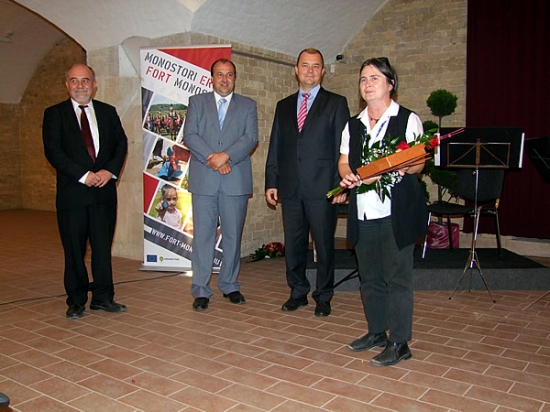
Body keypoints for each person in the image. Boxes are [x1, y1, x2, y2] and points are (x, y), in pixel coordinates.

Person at [337, 57, 428, 366]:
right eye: (363, 79)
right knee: (370, 278)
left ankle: (400, 342)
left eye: (374, 78)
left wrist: (397, 166)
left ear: (390, 84)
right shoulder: (354, 124)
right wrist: (349, 175)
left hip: (395, 212)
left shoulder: (407, 119)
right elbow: (343, 161)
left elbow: (418, 163)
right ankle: (377, 331)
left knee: (397, 279)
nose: (367, 84)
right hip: (364, 212)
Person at [265, 48, 350, 317]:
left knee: (324, 245)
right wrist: (271, 181)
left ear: (322, 71)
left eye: (315, 66)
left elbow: (343, 148)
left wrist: (341, 186)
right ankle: (298, 292)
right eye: (305, 65)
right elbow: (276, 146)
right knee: (294, 244)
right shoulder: (283, 105)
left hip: (323, 188)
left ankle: (323, 296)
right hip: (291, 188)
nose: (310, 71)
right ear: (296, 70)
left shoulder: (336, 103)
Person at [43, 63, 128, 320]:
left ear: (94, 84)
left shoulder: (108, 112)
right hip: (73, 195)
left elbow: (121, 144)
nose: (80, 85)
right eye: (74, 80)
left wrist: (108, 172)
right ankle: (76, 300)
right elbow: (54, 151)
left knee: (102, 249)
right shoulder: (54, 114)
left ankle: (103, 298)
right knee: (74, 251)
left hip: (103, 194)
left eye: (85, 80)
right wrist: (84, 175)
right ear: (66, 84)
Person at [183, 58, 258, 311]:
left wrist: (226, 156)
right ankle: (201, 289)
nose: (224, 79)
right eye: (220, 74)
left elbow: (250, 137)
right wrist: (213, 159)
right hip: (204, 180)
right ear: (211, 78)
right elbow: (190, 135)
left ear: (234, 78)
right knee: (203, 236)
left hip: (235, 180)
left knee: (233, 236)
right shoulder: (197, 102)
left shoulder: (248, 105)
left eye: (229, 75)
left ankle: (229, 284)